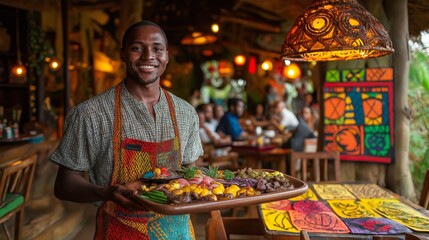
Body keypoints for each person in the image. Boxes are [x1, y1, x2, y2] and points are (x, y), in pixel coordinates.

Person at [50, 20, 203, 239]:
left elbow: (192, 169)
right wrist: (107, 192)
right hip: (118, 231)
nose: (148, 56)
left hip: (177, 232)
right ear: (123, 54)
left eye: (157, 49)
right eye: (137, 48)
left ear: (166, 56)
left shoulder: (186, 113)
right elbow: (63, 184)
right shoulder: (89, 114)